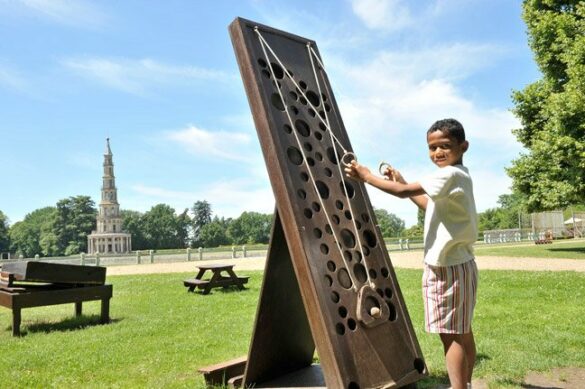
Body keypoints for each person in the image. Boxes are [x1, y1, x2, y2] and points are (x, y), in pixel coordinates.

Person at [345, 118, 478, 389]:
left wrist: (366, 176)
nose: (438, 153)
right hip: (461, 264)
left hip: (446, 268)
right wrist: (402, 181)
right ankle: (466, 383)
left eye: (445, 146)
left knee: (450, 336)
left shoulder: (450, 174)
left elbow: (402, 193)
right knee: (462, 333)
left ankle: (458, 387)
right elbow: (426, 204)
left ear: (463, 146)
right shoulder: (460, 176)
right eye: (432, 148)